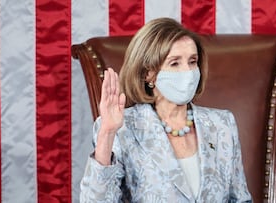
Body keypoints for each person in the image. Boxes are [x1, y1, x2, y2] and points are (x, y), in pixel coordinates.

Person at [80, 17, 252, 202]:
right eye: (175, 63)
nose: (187, 71)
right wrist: (107, 133)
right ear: (148, 74)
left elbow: (241, 199)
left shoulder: (222, 125)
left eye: (192, 61)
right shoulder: (121, 129)